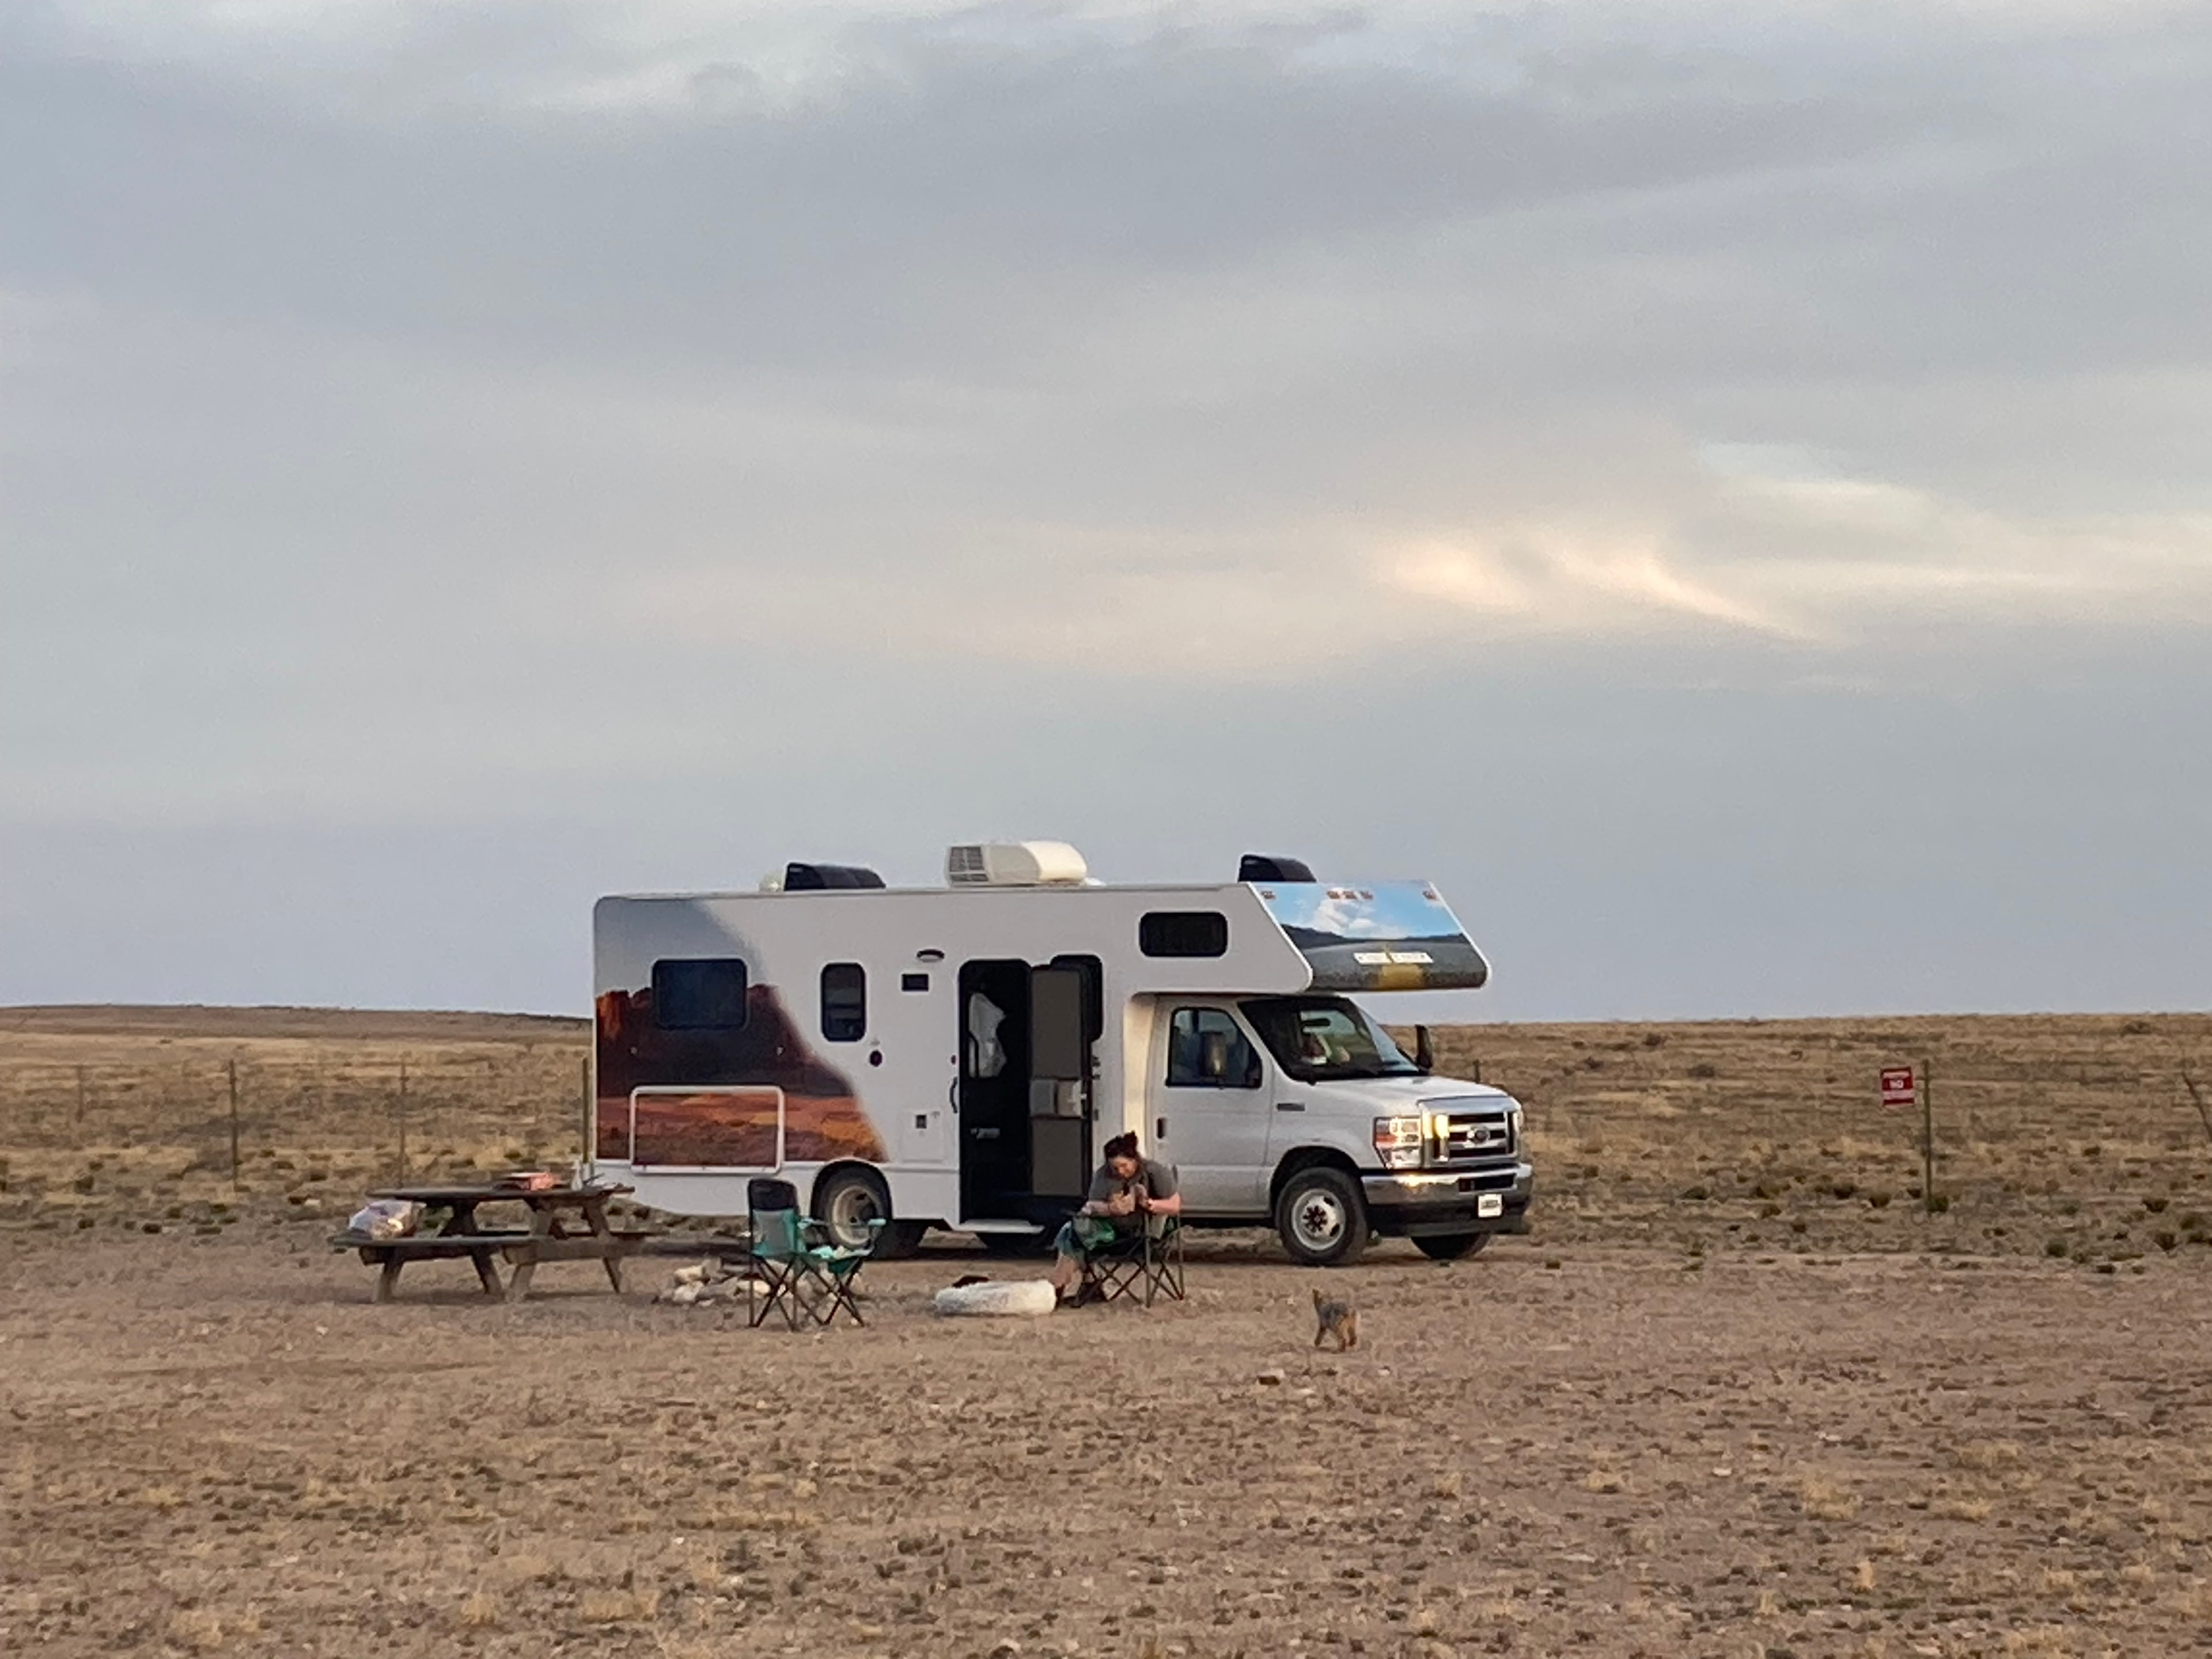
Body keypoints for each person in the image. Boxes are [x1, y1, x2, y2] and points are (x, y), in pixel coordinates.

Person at [1048, 1132, 1181, 1302]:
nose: (1120, 1171)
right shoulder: (1103, 1175)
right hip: (1111, 1229)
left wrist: (1149, 1204)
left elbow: (1175, 1205)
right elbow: (1092, 1206)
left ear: (1135, 1159)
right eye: (1115, 1168)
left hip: (1144, 1233)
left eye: (1124, 1166)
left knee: (1072, 1234)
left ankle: (1067, 1286)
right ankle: (1080, 1285)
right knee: (1075, 1228)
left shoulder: (1154, 1171)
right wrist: (1110, 1208)